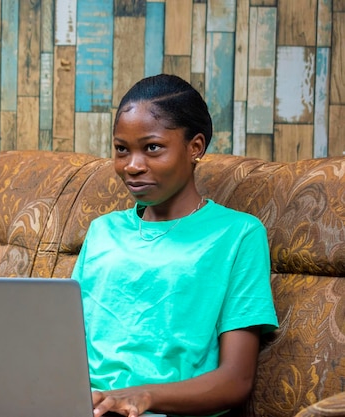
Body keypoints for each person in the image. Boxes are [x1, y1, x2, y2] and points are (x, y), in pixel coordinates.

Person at [71, 74, 279, 417]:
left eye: (152, 147)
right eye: (122, 149)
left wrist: (143, 396)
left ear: (195, 147)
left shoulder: (238, 234)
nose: (133, 166)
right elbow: (62, 340)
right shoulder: (102, 231)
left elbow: (235, 380)